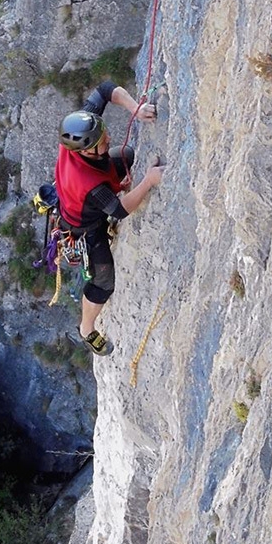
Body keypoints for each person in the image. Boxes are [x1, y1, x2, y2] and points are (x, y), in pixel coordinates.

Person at [55, 81, 164, 356]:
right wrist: (148, 181)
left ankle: (118, 176)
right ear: (86, 150)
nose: (109, 139)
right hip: (87, 228)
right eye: (103, 142)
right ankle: (86, 329)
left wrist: (135, 108)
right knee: (104, 282)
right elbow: (120, 210)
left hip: (90, 190)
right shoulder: (88, 184)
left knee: (125, 155)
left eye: (104, 134)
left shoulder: (82, 128)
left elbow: (105, 90)